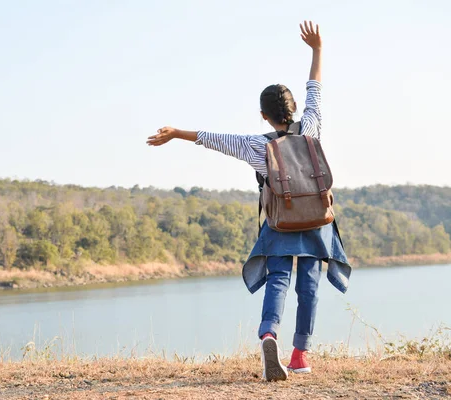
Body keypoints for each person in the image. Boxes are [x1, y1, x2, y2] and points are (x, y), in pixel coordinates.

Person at [147, 21, 352, 382]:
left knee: (278, 280)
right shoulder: (311, 128)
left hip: (281, 221)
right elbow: (315, 90)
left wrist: (177, 133)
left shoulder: (257, 145)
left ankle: (269, 334)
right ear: (292, 110)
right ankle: (300, 355)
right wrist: (317, 49)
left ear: (264, 115)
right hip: (318, 221)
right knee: (309, 285)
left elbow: (213, 138)